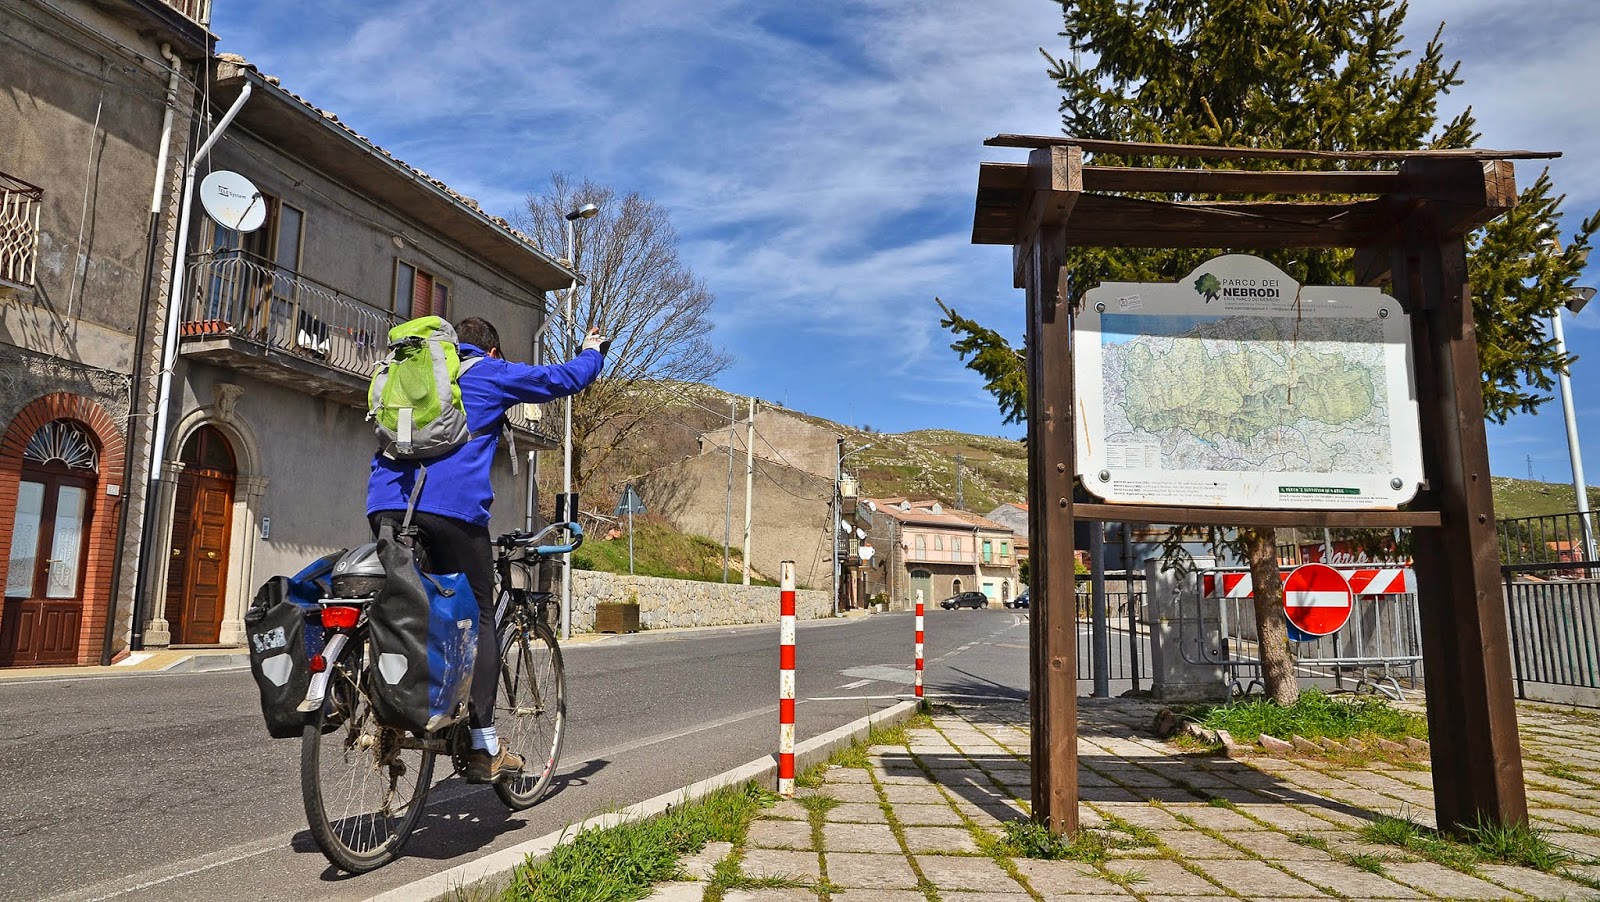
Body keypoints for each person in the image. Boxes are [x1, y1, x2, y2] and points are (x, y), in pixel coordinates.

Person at [366, 316, 604, 783]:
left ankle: (385, 702)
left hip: (386, 504)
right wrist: (592, 351)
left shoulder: (411, 374)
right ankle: (483, 745)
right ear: (492, 351)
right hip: (452, 512)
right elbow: (562, 379)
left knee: (404, 605)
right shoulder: (487, 372)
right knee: (478, 619)